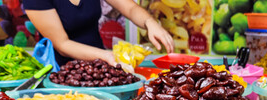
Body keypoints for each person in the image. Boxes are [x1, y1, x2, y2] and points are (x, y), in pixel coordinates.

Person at [23, 0, 174, 66]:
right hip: (61, 72)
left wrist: (150, 23)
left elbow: (130, 8)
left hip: (100, 66)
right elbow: (62, 44)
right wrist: (106, 55)